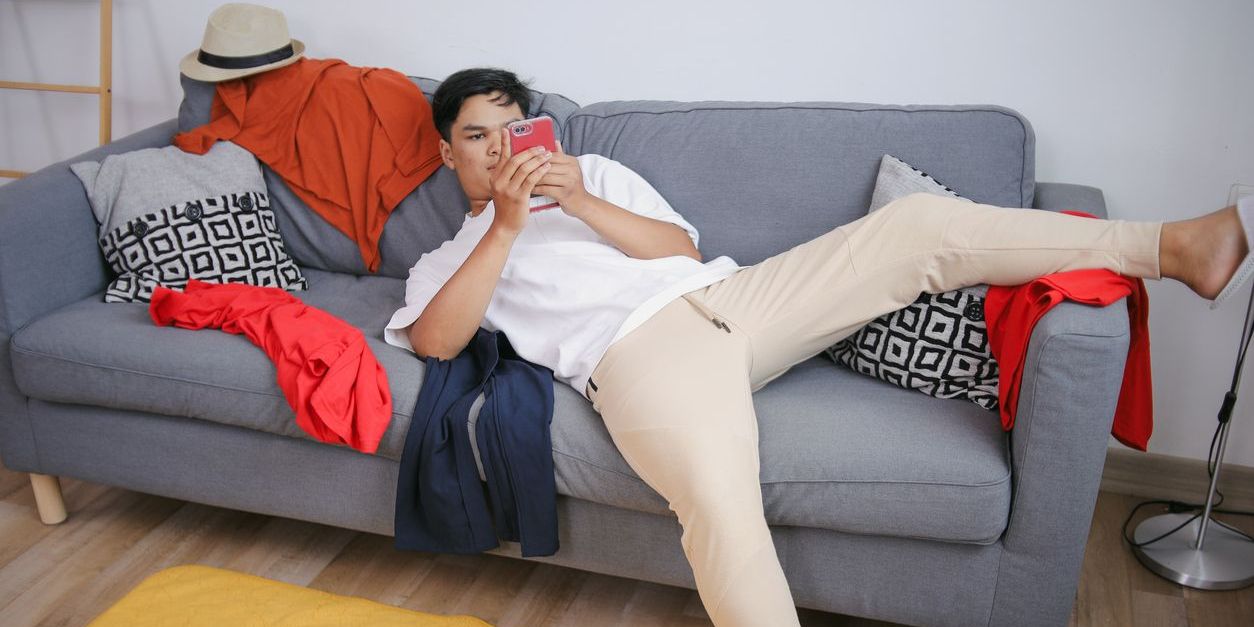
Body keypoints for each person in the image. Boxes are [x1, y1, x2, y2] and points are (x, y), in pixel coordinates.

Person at [383, 68, 1249, 626]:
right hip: (640, 360)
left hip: (730, 296)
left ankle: (1171, 246)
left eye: (514, 129)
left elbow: (680, 250)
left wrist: (580, 202)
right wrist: (503, 228)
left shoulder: (594, 177)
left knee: (913, 228)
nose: (503, 150)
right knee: (721, 507)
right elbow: (433, 338)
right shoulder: (450, 256)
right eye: (478, 136)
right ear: (446, 147)